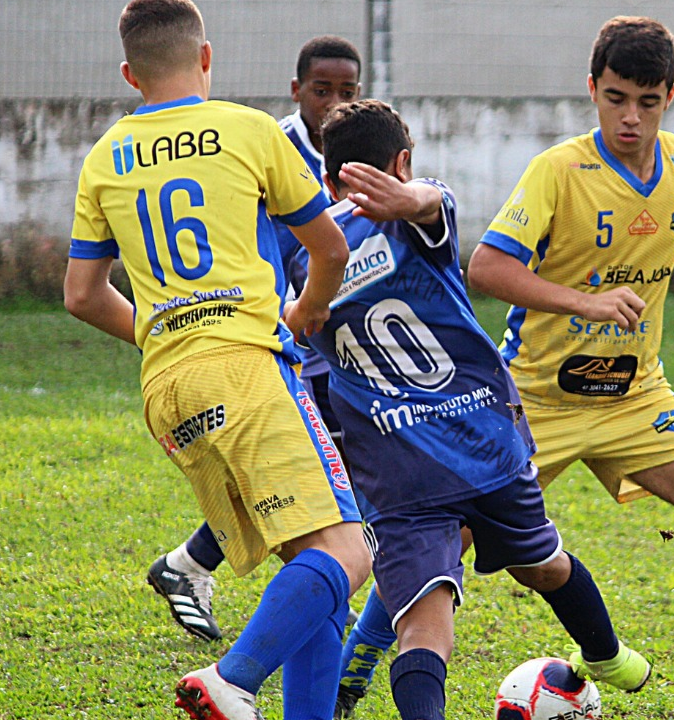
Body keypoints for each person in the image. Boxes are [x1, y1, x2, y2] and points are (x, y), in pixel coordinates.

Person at [442, 15, 674, 720]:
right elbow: (487, 266)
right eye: (615, 98)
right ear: (592, 89)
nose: (630, 117)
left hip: (636, 397)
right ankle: (352, 674)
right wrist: (586, 301)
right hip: (535, 400)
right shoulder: (559, 170)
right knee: (440, 543)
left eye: (646, 100)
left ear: (671, 94)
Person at [290, 98, 652, 720]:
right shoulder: (420, 220)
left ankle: (605, 655)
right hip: (480, 438)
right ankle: (608, 654)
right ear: (402, 161)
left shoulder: (309, 257)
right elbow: (433, 202)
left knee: (425, 632)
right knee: (544, 564)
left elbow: (302, 325)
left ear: (326, 180)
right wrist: (417, 197)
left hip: (394, 468)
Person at [63, 2, 369, 718]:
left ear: (129, 73)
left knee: (310, 560)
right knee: (352, 551)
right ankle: (231, 679)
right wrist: (307, 313)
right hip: (249, 367)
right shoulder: (250, 130)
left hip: (167, 387)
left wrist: (168, 334)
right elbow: (329, 248)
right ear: (206, 58)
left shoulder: (105, 155)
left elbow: (82, 295)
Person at [146, 35, 391, 657]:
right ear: (296, 89)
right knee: (330, 484)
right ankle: (255, 614)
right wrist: (302, 304)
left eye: (347, 91)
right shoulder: (270, 143)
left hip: (321, 334)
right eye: (322, 90)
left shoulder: (357, 144)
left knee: (320, 480)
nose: (335, 101)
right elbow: (305, 245)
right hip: (282, 336)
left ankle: (195, 564)